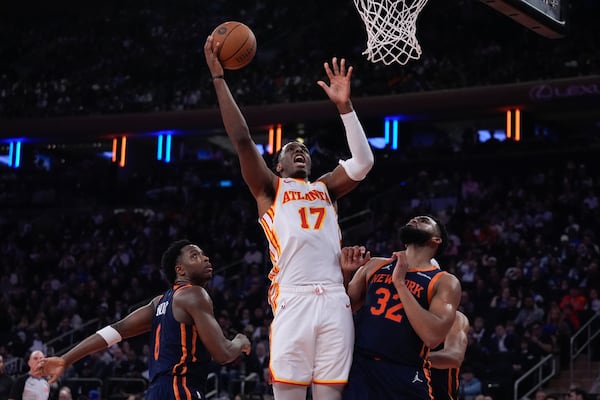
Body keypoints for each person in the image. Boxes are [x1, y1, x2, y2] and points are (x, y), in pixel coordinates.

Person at [204, 33, 374, 400]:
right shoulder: (270, 190)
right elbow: (243, 140)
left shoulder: (327, 188)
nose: (299, 151)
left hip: (333, 299)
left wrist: (345, 108)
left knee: (330, 396)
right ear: (277, 166)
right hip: (293, 298)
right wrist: (219, 79)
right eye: (290, 149)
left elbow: (364, 162)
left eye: (303, 149)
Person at [34, 240, 251, 400]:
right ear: (180, 270)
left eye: (204, 254)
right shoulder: (194, 294)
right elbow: (223, 353)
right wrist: (240, 340)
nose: (205, 258)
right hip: (180, 390)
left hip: (155, 392)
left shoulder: (159, 302)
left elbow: (116, 331)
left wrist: (65, 359)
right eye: (195, 255)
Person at [340, 215, 462, 399]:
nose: (414, 219)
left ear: (436, 240)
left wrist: (400, 283)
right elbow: (343, 310)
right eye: (413, 218)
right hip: (362, 368)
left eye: (424, 220)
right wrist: (346, 273)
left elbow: (432, 337)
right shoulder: (375, 264)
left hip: (405, 372)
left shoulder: (444, 282)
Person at [429, 310, 471, 400]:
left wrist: (413, 358)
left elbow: (455, 357)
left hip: (440, 393)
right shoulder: (403, 315)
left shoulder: (455, 318)